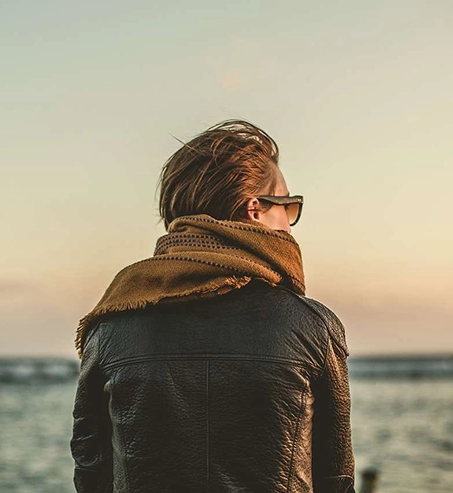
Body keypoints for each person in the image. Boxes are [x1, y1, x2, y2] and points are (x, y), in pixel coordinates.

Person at [71, 120, 355, 493]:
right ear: (255, 210)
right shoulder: (313, 327)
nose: (290, 224)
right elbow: (337, 481)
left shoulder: (108, 328)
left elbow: (91, 472)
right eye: (289, 207)